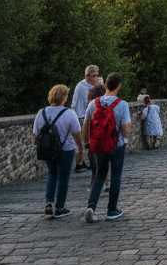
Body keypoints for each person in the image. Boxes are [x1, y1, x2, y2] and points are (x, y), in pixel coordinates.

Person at [83, 72, 132, 222]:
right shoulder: (121, 104)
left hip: (99, 145)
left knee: (100, 174)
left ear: (106, 85)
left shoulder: (94, 103)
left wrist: (87, 142)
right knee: (116, 175)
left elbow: (86, 124)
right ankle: (112, 210)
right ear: (118, 86)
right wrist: (124, 139)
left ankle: (91, 207)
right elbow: (126, 129)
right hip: (116, 145)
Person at [32, 84, 84, 218]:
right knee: (63, 177)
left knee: (52, 174)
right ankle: (60, 207)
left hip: (48, 149)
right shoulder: (69, 113)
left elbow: (36, 133)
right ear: (63, 97)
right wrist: (81, 148)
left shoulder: (41, 112)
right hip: (66, 149)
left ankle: (49, 202)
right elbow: (77, 133)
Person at [70, 65, 102, 172]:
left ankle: (83, 162)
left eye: (97, 75)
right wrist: (73, 116)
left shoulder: (98, 85)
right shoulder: (81, 86)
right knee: (82, 142)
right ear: (87, 75)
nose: (95, 78)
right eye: (94, 75)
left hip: (93, 116)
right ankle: (80, 163)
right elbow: (74, 102)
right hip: (81, 116)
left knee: (89, 142)